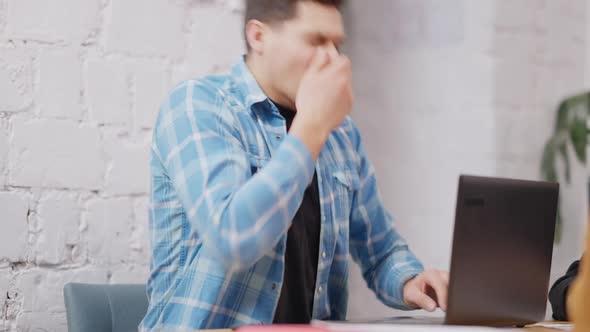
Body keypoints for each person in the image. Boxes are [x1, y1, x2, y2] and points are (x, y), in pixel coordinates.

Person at [140, 0, 449, 330]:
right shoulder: (198, 106)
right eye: (316, 41)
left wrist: (410, 282)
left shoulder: (342, 135)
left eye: (337, 45)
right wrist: (312, 128)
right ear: (258, 37)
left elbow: (381, 251)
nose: (334, 58)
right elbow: (232, 239)